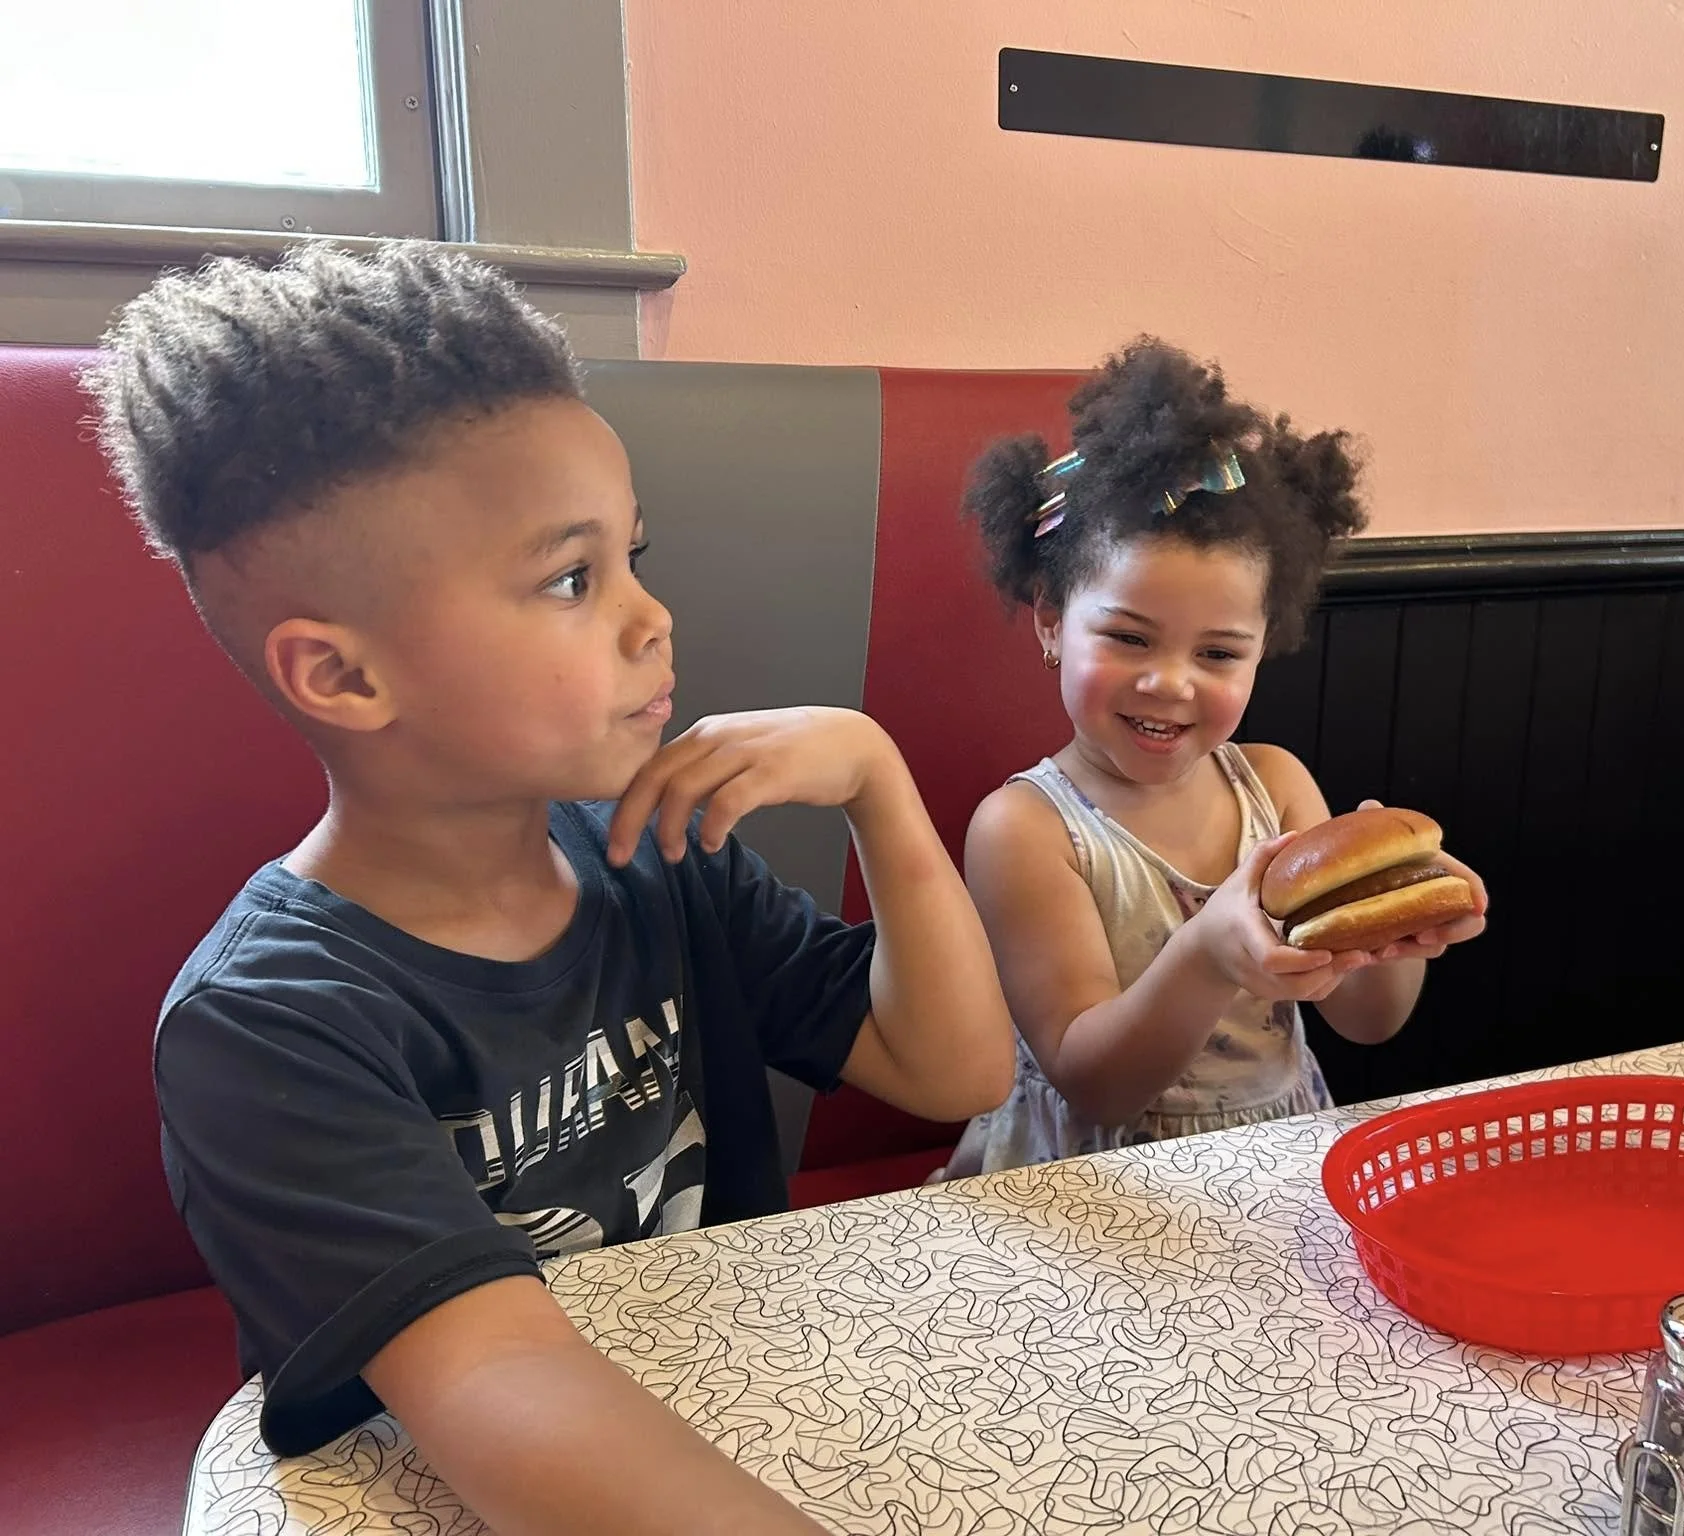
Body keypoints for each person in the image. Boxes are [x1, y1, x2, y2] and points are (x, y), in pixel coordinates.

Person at [83, 242, 1012, 1535]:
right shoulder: (271, 1023)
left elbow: (953, 1072)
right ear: (344, 678)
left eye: (635, 555)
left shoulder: (656, 854)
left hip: (734, 1412)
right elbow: (501, 1381)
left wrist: (880, 785)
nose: (654, 618)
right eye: (574, 579)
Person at [948, 338, 1487, 1174]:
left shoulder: (1275, 785)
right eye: (1129, 637)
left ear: (1264, 647)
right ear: (1052, 620)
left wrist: (1397, 924)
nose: (1170, 684)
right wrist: (1207, 953)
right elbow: (1095, 1082)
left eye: (1218, 654)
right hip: (1091, 1185)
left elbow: (1368, 1021)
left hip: (1272, 1160)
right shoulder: (1025, 829)